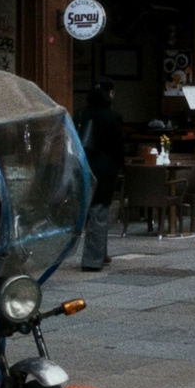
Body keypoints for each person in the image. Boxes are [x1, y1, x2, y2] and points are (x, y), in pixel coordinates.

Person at [77, 84, 124, 269]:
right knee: (99, 211)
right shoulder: (112, 117)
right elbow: (117, 146)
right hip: (104, 168)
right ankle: (92, 260)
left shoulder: (81, 114)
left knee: (89, 210)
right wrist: (120, 165)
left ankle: (101, 254)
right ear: (109, 94)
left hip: (83, 165)